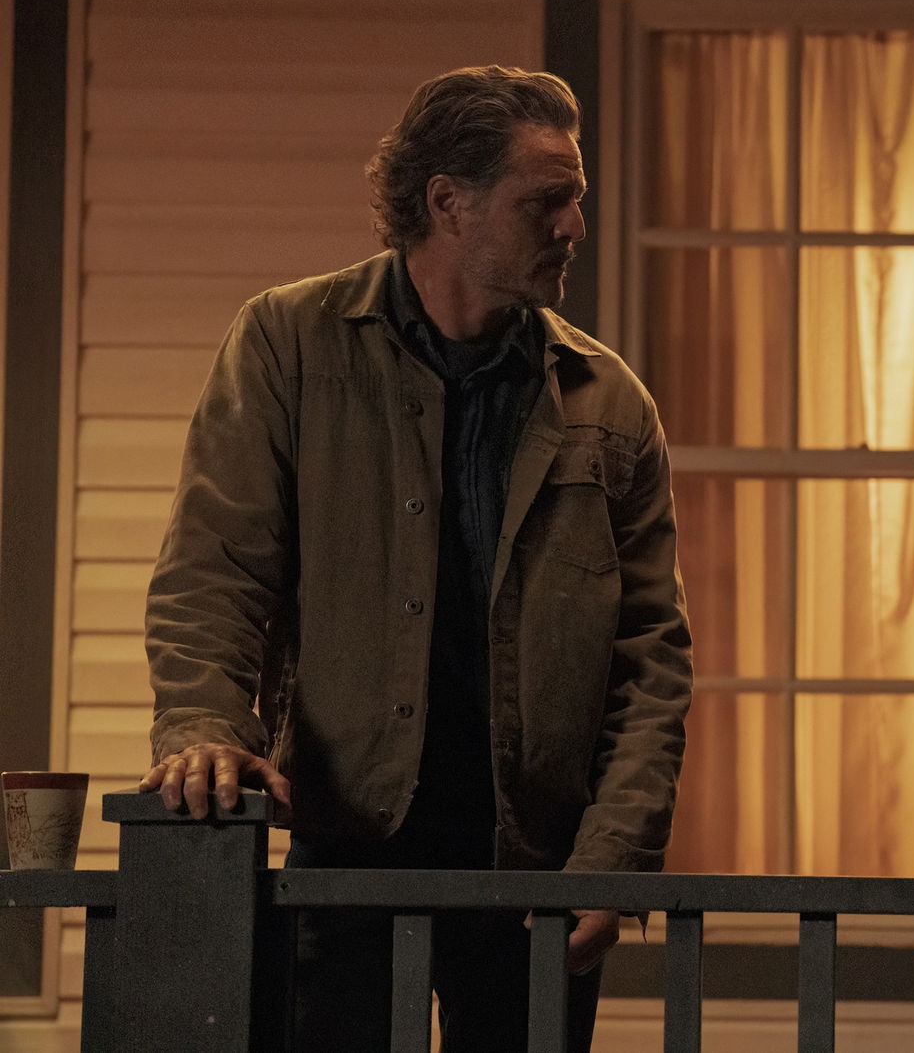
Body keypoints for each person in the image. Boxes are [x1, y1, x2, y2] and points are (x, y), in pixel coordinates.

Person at [137, 66, 692, 1052]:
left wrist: (613, 856)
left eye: (576, 199)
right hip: (345, 848)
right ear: (448, 201)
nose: (573, 225)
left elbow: (650, 657)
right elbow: (214, 574)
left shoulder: (607, 399)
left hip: (535, 872)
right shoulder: (289, 343)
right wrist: (203, 728)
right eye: (546, 200)